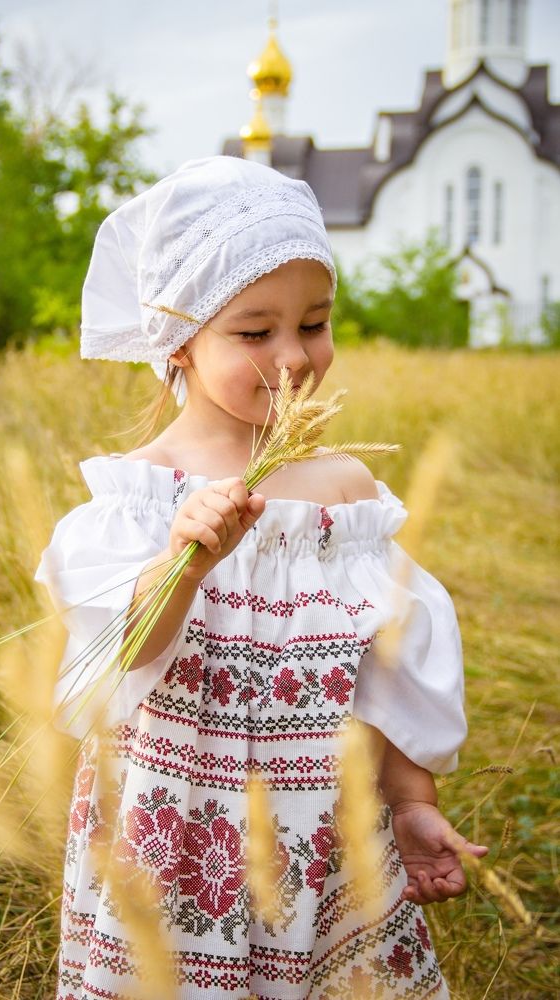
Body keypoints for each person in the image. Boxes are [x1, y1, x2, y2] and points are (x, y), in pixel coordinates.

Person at [35, 156, 487, 1000]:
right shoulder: (140, 495)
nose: (294, 357)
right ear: (179, 339)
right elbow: (125, 654)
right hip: (181, 831)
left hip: (316, 826)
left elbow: (380, 668)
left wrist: (413, 800)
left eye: (314, 323)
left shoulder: (344, 492)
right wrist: (184, 562)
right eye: (254, 332)